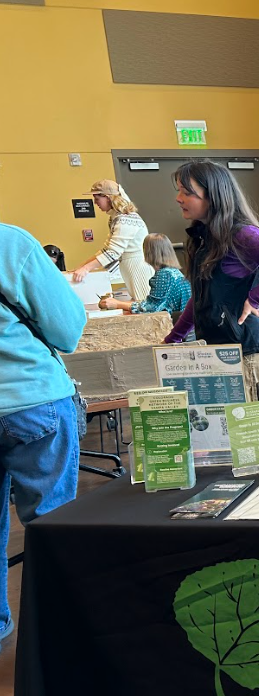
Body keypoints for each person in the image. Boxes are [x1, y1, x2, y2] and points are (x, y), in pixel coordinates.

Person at [0, 221, 87, 649]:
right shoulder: (10, 242)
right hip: (31, 400)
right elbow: (68, 330)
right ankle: (61, 638)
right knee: (51, 524)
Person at [164, 160, 259, 401]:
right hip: (220, 350)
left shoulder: (242, 234)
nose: (179, 198)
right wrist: (173, 339)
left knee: (247, 434)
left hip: (247, 352)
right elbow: (201, 298)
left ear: (214, 197)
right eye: (179, 191)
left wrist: (255, 298)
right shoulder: (205, 237)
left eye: (187, 192)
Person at [70, 180, 155, 301]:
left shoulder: (126, 219)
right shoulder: (116, 218)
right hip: (129, 266)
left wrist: (86, 269)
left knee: (144, 306)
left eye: (97, 198)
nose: (95, 203)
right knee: (139, 302)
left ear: (108, 197)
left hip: (137, 267)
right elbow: (105, 250)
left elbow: (112, 252)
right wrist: (82, 266)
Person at [99, 234, 192, 333]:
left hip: (178, 329)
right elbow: (154, 302)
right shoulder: (173, 272)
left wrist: (117, 304)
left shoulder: (164, 275)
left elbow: (150, 309)